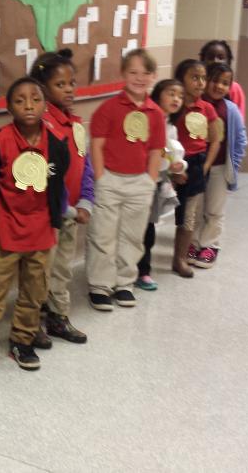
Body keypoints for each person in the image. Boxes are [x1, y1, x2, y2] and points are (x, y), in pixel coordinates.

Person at [0, 77, 69, 374]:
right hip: (7, 231)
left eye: (35, 99)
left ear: (45, 105)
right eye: (20, 100)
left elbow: (58, 185)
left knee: (33, 293)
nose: (28, 105)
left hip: (42, 232)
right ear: (8, 107)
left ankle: (22, 341)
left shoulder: (57, 145)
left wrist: (58, 219)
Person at [85, 49, 166, 311]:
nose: (139, 78)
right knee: (103, 235)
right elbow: (97, 146)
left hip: (140, 183)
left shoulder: (156, 113)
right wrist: (100, 177)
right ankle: (100, 286)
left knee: (132, 236)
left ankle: (124, 283)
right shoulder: (108, 109)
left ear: (153, 76)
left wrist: (150, 181)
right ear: (123, 74)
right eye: (133, 72)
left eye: (145, 73)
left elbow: (156, 150)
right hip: (109, 180)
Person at [29, 49, 91, 346]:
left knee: (62, 268)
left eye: (71, 83)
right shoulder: (41, 125)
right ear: (42, 88)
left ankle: (58, 316)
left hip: (71, 213)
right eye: (60, 84)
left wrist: (86, 201)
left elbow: (85, 165)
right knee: (40, 270)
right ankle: (30, 322)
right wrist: (66, 208)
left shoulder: (74, 123)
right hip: (49, 214)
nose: (69, 90)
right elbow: (46, 175)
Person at [169, 59, 222, 279]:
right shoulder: (174, 106)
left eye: (203, 78)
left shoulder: (207, 108)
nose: (200, 83)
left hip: (196, 165)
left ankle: (180, 258)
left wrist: (206, 166)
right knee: (157, 211)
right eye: (194, 77)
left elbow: (215, 139)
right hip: (171, 165)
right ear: (181, 80)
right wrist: (172, 169)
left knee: (189, 215)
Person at [191, 62, 248, 269]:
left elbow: (241, 139)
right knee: (195, 209)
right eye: (214, 80)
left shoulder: (230, 110)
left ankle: (209, 245)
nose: (219, 86)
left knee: (214, 210)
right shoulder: (195, 105)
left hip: (219, 168)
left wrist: (234, 165)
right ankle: (193, 243)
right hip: (196, 166)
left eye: (225, 83)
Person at [136, 80, 189, 290]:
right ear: (158, 95)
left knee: (148, 230)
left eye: (180, 96)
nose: (176, 99)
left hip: (156, 183)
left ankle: (143, 271)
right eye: (171, 94)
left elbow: (172, 155)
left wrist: (178, 167)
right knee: (133, 229)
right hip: (139, 182)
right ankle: (125, 272)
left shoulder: (171, 128)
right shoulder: (146, 121)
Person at [199, 40, 246, 119]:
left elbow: (238, 119)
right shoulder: (198, 84)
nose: (215, 61)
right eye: (210, 58)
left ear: (228, 61)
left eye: (220, 58)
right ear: (203, 60)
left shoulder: (234, 88)